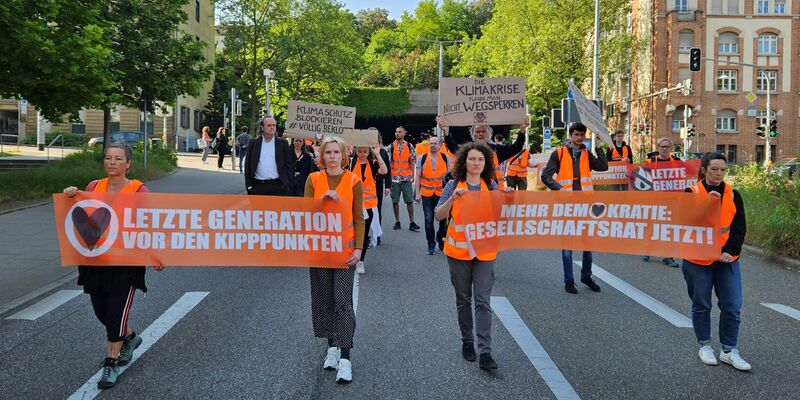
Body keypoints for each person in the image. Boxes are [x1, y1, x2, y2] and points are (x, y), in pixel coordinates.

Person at [62, 142, 163, 390]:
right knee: (102, 313)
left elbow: (148, 224)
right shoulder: (94, 187)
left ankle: (111, 362)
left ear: (128, 163)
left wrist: (154, 254)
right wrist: (70, 195)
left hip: (126, 262)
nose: (112, 163)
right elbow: (81, 214)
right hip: (97, 260)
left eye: (118, 159)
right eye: (108, 158)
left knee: (117, 311)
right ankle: (129, 337)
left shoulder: (139, 190)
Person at [436, 142, 511, 371]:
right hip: (458, 253)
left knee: (482, 301)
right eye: (472, 159)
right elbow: (439, 215)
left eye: (480, 159)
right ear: (464, 162)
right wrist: (453, 199)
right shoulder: (452, 185)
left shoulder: (492, 185)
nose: (476, 163)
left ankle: (485, 352)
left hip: (485, 252)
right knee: (463, 299)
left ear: (486, 163)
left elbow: (504, 216)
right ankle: (467, 342)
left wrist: (508, 199)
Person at [682, 152, 750, 371]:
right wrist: (708, 205)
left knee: (732, 305)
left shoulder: (733, 194)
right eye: (714, 169)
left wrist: (731, 250)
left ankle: (729, 350)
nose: (719, 173)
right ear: (704, 170)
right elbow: (685, 223)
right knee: (702, 304)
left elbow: (739, 228)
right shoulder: (690, 193)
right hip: (697, 259)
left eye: (722, 169)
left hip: (726, 259)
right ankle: (705, 345)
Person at [305, 136, 365, 383]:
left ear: (343, 155)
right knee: (324, 300)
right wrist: (322, 201)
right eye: (327, 152)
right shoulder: (314, 179)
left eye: (335, 152)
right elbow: (303, 212)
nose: (331, 156)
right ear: (322, 156)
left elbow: (359, 217)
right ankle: (331, 346)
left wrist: (359, 249)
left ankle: (345, 357)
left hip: (343, 253)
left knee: (343, 303)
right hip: (319, 251)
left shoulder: (353, 181)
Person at [541, 122, 608, 294]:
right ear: (570, 136)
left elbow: (603, 166)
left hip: (585, 204)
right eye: (576, 135)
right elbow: (545, 176)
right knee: (567, 245)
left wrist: (599, 147)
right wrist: (559, 189)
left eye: (581, 135)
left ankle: (586, 276)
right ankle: (569, 281)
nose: (579, 138)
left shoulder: (586, 152)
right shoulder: (559, 153)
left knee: (588, 243)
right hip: (567, 206)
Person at [438, 115, 528, 189]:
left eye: (483, 131)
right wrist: (446, 132)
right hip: (472, 189)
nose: (480, 134)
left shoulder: (497, 149)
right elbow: (454, 148)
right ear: (473, 134)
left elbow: (516, 148)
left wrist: (522, 131)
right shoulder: (468, 149)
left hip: (493, 190)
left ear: (488, 134)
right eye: (478, 132)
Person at [641, 137, 680, 267]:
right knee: (652, 227)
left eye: (667, 147)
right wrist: (630, 175)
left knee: (670, 229)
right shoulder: (650, 161)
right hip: (655, 200)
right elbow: (641, 177)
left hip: (672, 201)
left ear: (671, 148)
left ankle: (668, 256)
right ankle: (647, 250)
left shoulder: (678, 162)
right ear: (658, 148)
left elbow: (688, 176)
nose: (664, 149)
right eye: (662, 146)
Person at [349, 145, 388, 273]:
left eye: (365, 151)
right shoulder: (350, 162)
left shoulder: (373, 163)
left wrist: (377, 154)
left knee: (364, 234)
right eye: (359, 151)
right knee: (351, 232)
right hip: (353, 203)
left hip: (369, 205)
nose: (362, 154)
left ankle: (360, 261)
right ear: (356, 151)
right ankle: (350, 255)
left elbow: (384, 171)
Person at [415, 136, 450, 255]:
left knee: (443, 220)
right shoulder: (422, 158)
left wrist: (451, 193)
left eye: (435, 143)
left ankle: (441, 239)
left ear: (440, 145)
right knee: (428, 219)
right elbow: (418, 177)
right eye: (431, 143)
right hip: (427, 194)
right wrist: (417, 193)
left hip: (442, 194)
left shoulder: (446, 158)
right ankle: (431, 244)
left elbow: (450, 177)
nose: (433, 145)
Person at [244, 116, 293, 196]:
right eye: (269, 125)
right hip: (258, 186)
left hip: (278, 186)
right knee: (257, 208)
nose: (272, 127)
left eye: (274, 125)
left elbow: (288, 164)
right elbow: (247, 165)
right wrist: (249, 185)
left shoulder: (282, 143)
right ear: (262, 127)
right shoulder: (253, 143)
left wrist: (287, 182)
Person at [386, 126, 419, 231]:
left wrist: (412, 175)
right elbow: (388, 162)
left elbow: (412, 160)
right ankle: (397, 221)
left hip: (406, 177)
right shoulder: (391, 146)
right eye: (396, 132)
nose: (397, 133)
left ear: (404, 133)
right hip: (394, 178)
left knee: (409, 200)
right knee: (395, 201)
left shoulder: (409, 146)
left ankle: (412, 222)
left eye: (400, 132)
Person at [373, 132, 392, 245]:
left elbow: (387, 170)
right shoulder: (362, 151)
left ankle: (377, 235)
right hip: (363, 185)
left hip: (378, 184)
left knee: (377, 210)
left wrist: (388, 186)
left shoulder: (383, 152)